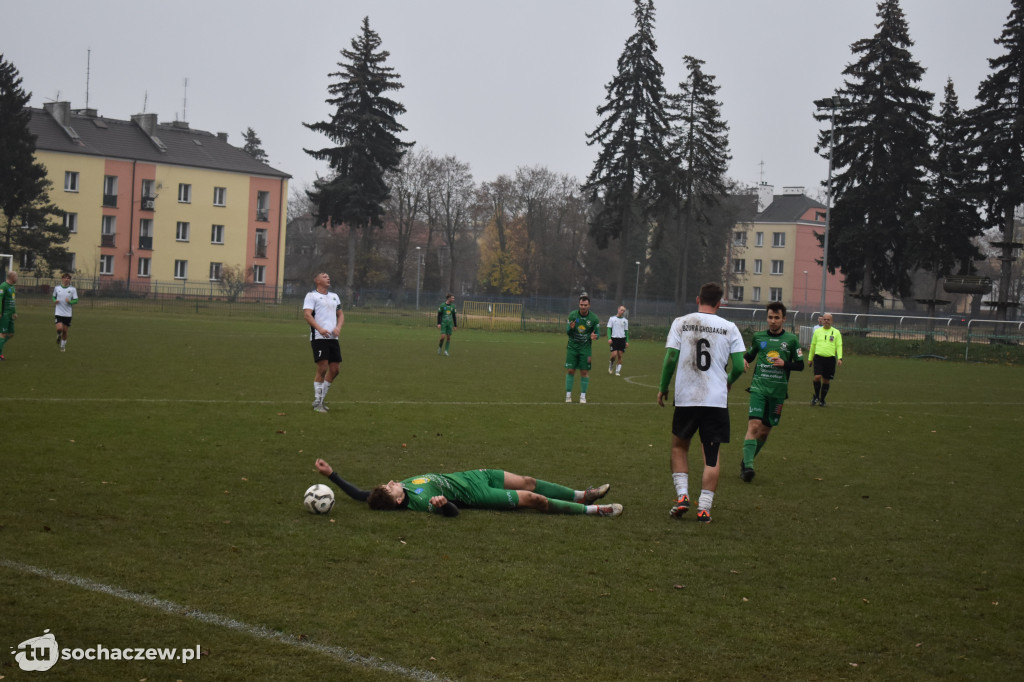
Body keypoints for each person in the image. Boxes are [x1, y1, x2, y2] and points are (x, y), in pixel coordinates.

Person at [657, 282, 745, 524]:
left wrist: (663, 387)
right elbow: (739, 366)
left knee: (679, 447)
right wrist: (727, 382)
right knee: (712, 456)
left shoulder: (681, 322)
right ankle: (704, 509)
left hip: (687, 398)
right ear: (720, 303)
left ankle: (683, 497)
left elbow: (671, 357)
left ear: (698, 299)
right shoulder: (730, 328)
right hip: (716, 400)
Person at [313, 458, 622, 517]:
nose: (393, 482)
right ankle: (596, 510)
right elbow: (454, 514)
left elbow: (358, 495)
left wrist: (331, 475)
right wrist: (443, 505)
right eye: (391, 487)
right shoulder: (419, 503)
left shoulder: (393, 492)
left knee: (528, 480)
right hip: (477, 494)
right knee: (534, 499)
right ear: (396, 502)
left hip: (476, 474)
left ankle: (584, 493)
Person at [739, 301, 804, 482]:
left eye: (777, 318)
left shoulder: (791, 340)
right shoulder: (759, 337)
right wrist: (743, 360)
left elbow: (800, 365)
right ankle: (749, 468)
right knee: (754, 426)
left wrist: (786, 364)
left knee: (765, 432)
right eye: (770, 317)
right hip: (759, 388)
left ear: (784, 319)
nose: (773, 321)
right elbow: (750, 356)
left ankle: (745, 461)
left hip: (778, 391)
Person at [302, 272, 344, 413]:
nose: (328, 278)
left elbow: (341, 314)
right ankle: (318, 402)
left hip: (333, 338)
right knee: (323, 367)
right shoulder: (311, 296)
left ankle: (320, 400)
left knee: (335, 370)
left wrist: (338, 327)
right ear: (317, 280)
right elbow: (307, 314)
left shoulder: (334, 296)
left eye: (328, 276)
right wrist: (320, 328)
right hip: (319, 337)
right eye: (324, 276)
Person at [564, 295, 600, 403]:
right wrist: (570, 328)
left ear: (589, 305)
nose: (583, 307)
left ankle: (583, 396)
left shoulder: (594, 318)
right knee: (571, 370)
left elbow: (597, 334)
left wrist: (595, 336)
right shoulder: (573, 315)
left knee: (584, 371)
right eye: (581, 305)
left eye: (585, 305)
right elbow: (568, 332)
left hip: (585, 349)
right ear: (579, 304)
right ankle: (568, 396)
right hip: (572, 348)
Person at [808, 313, 843, 407]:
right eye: (825, 319)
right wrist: (810, 358)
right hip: (818, 358)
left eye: (828, 319)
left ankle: (822, 400)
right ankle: (816, 397)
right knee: (817, 377)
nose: (826, 321)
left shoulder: (836, 332)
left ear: (831, 321)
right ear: (822, 320)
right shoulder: (817, 332)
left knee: (826, 380)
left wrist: (840, 358)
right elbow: (813, 345)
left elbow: (839, 346)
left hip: (830, 359)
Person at [52, 273, 79, 352]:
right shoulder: (57, 288)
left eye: (68, 278)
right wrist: (55, 301)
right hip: (58, 312)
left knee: (65, 331)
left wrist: (70, 302)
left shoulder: (73, 289)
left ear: (70, 280)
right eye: (65, 278)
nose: (66, 279)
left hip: (67, 313)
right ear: (62, 279)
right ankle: (58, 334)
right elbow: (53, 296)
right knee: (59, 328)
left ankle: (63, 346)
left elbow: (76, 300)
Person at [607, 305, 629, 376]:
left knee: (620, 355)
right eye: (621, 310)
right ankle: (611, 364)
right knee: (614, 355)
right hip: (614, 339)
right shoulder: (612, 319)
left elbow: (626, 331)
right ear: (618, 309)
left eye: (623, 311)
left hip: (622, 339)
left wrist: (627, 341)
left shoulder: (625, 321)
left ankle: (617, 371)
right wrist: (609, 338)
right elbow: (609, 329)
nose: (622, 312)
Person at [0, 271, 17, 361]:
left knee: (11, 334)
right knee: (3, 334)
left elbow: (12, 301)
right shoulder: (3, 286)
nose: (17, 278)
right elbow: (0, 299)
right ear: (12, 277)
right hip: (4, 314)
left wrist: (14, 312)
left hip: (10, 315)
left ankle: (0, 344)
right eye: (16, 276)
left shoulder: (12, 287)